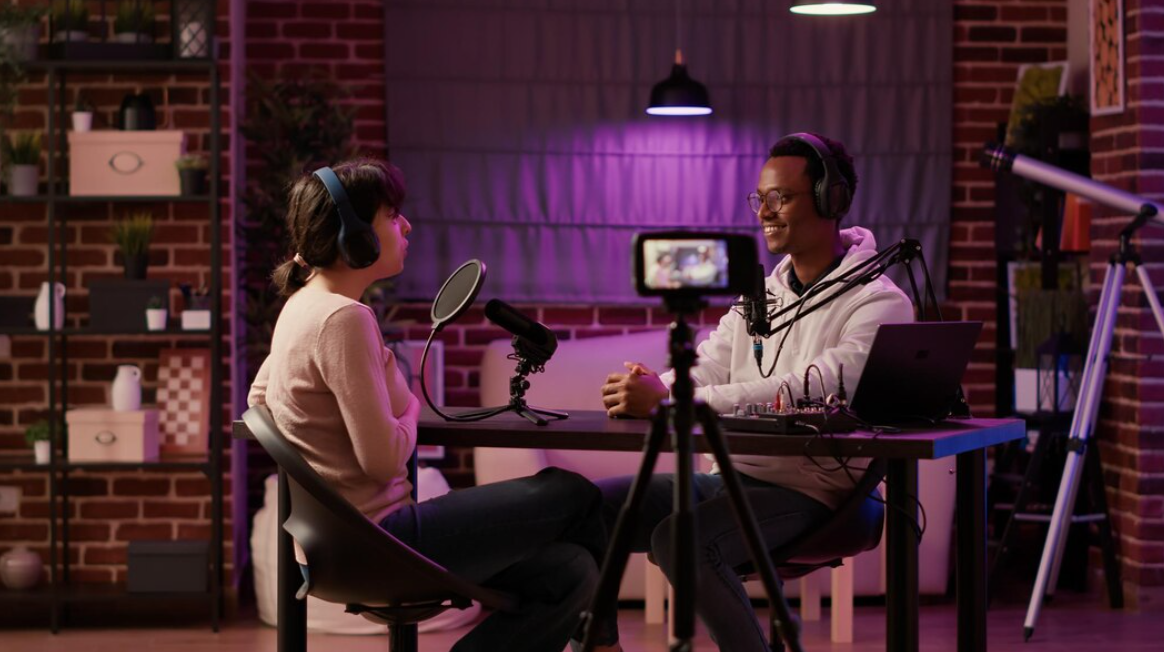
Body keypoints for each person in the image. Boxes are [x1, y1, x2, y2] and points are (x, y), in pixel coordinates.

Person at [247, 159, 614, 652]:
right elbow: (382, 460)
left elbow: (257, 401)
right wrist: (412, 410)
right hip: (381, 540)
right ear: (356, 237)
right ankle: (607, 647)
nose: (406, 225)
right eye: (392, 215)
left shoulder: (301, 305)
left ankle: (598, 642)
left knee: (572, 571)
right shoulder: (342, 319)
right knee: (572, 492)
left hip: (340, 544)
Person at [595, 133, 915, 651]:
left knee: (680, 542)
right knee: (590, 508)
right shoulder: (759, 296)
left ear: (831, 200)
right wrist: (658, 387)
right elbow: (708, 364)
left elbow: (809, 389)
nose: (764, 211)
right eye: (759, 198)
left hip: (814, 493)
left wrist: (673, 405)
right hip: (731, 477)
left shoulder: (879, 303)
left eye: (780, 198)